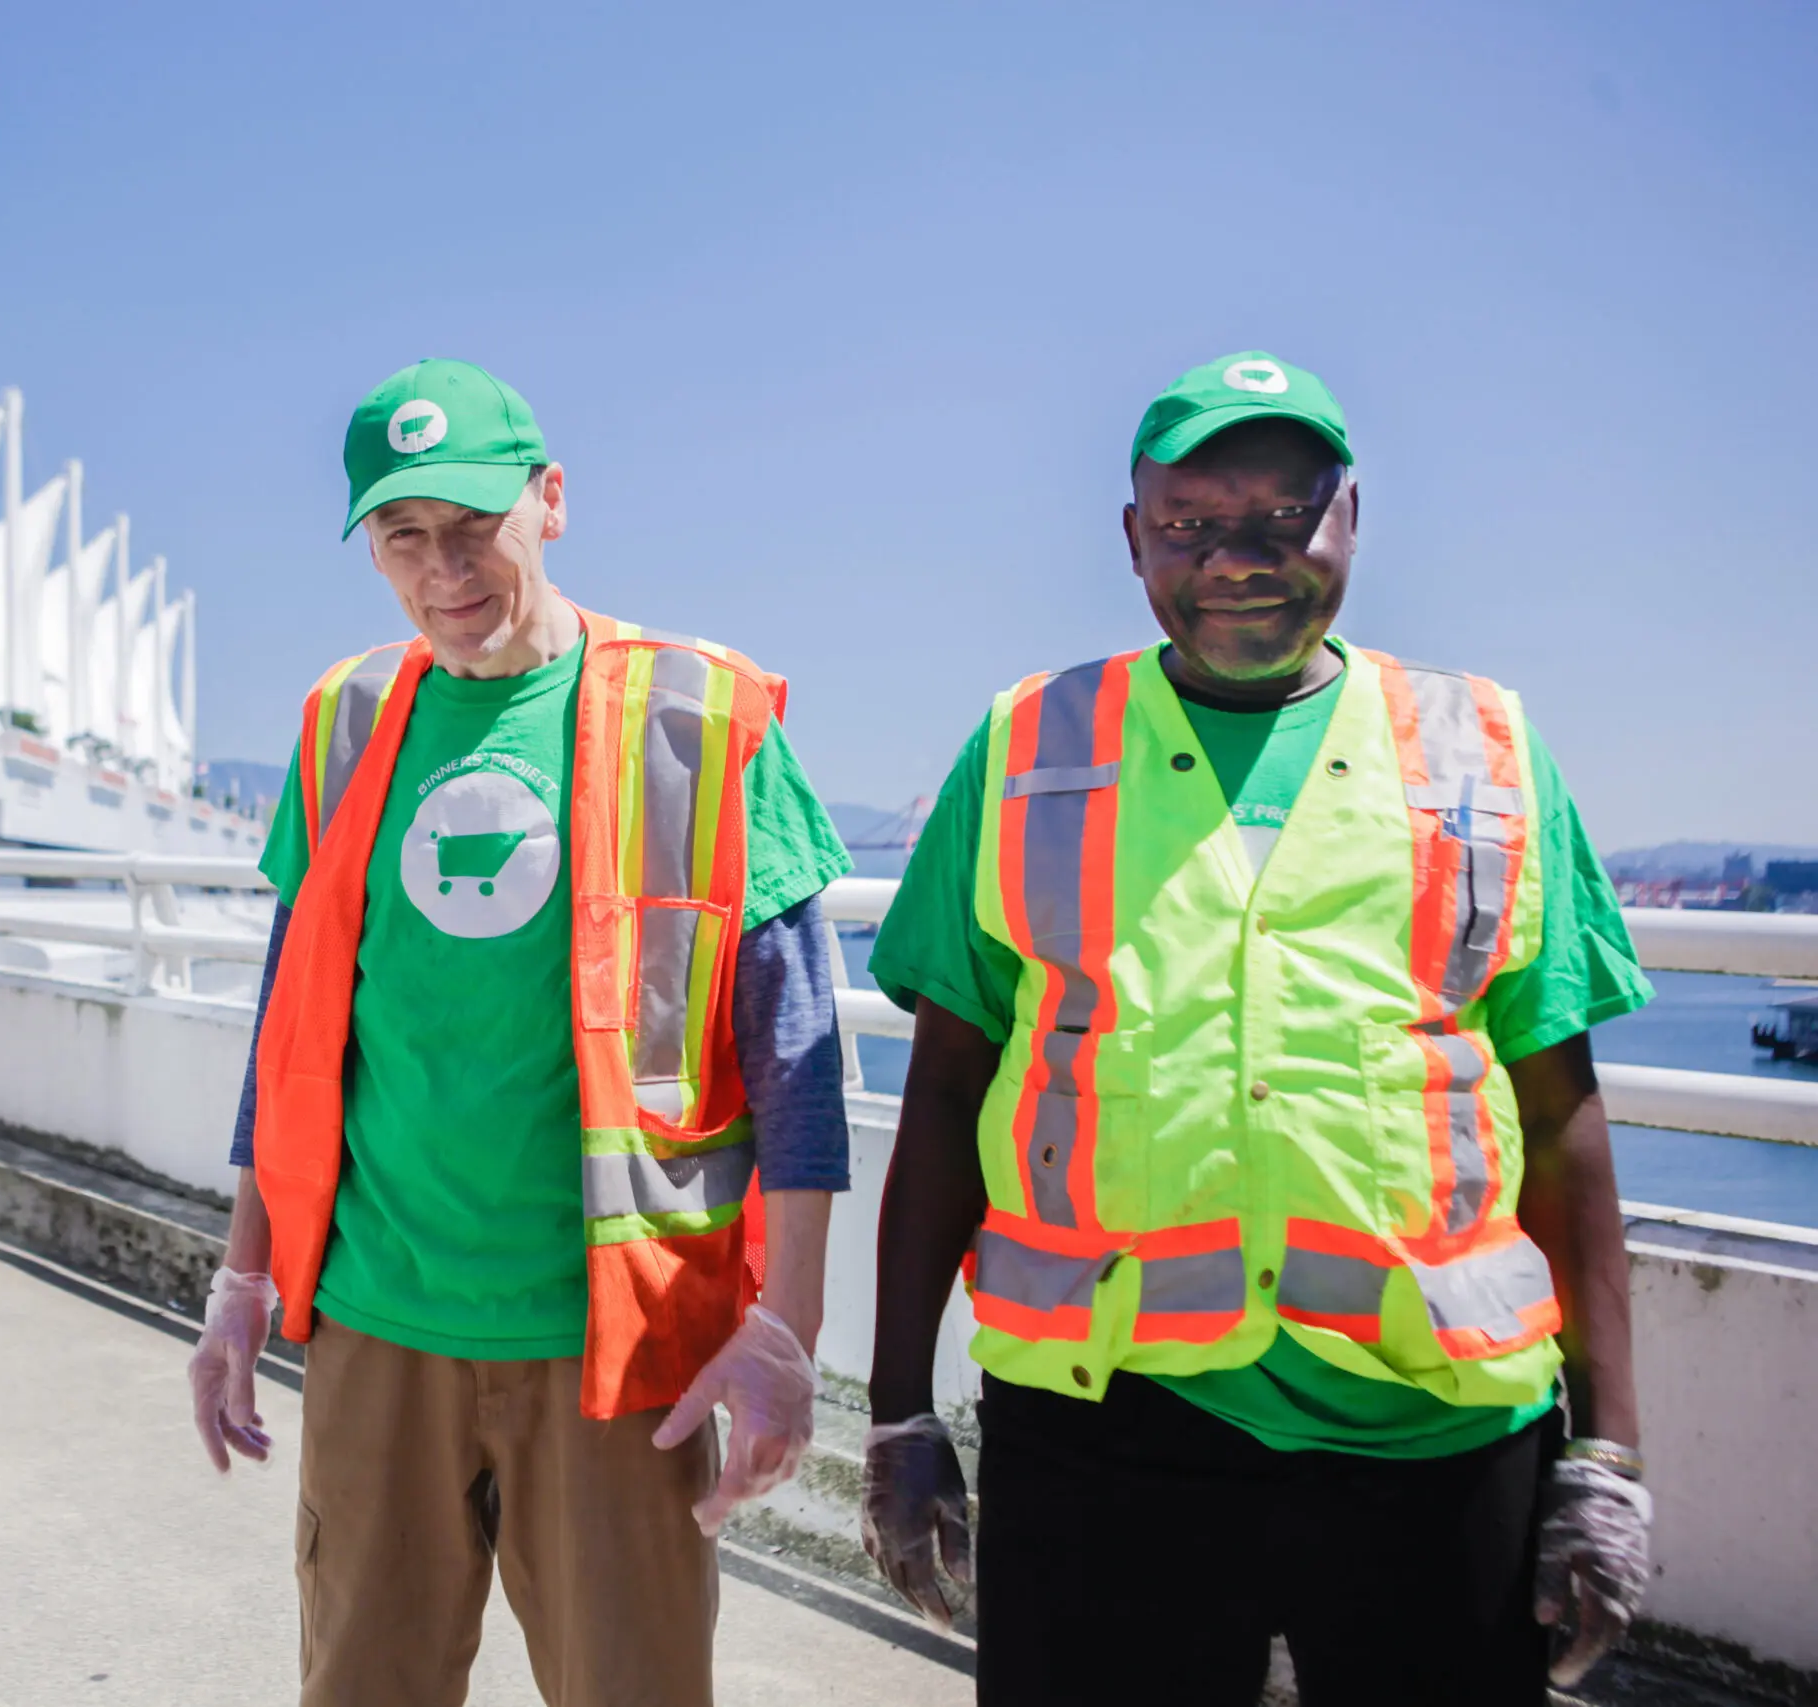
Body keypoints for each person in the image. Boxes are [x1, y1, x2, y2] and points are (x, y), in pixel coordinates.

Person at [859, 352, 1656, 1706]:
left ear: (1354, 516)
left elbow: (1558, 1108)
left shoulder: (1485, 750)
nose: (1239, 557)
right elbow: (945, 1096)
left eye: (1286, 517)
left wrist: (1610, 1456)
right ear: (1133, 539)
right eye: (1191, 523)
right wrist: (896, 1412)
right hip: (1108, 1438)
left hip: (1441, 1437)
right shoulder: (1029, 746)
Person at [186, 359, 855, 1707]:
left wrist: (789, 1330)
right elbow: (293, 1032)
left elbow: (798, 1051)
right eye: (403, 538)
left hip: (610, 1343)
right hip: (382, 1327)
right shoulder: (345, 722)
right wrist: (241, 1282)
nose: (446, 570)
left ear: (550, 502)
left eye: (474, 525)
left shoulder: (698, 713)